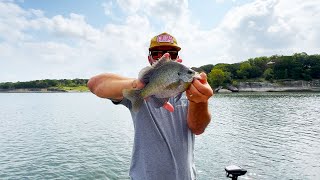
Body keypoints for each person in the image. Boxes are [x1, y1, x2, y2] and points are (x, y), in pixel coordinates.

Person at [87, 32, 213, 180]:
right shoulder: (137, 88)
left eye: (171, 53)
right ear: (149, 59)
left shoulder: (192, 92)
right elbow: (95, 84)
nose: (163, 56)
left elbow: (198, 128)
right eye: (156, 53)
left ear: (178, 59)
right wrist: (138, 85)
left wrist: (200, 101)